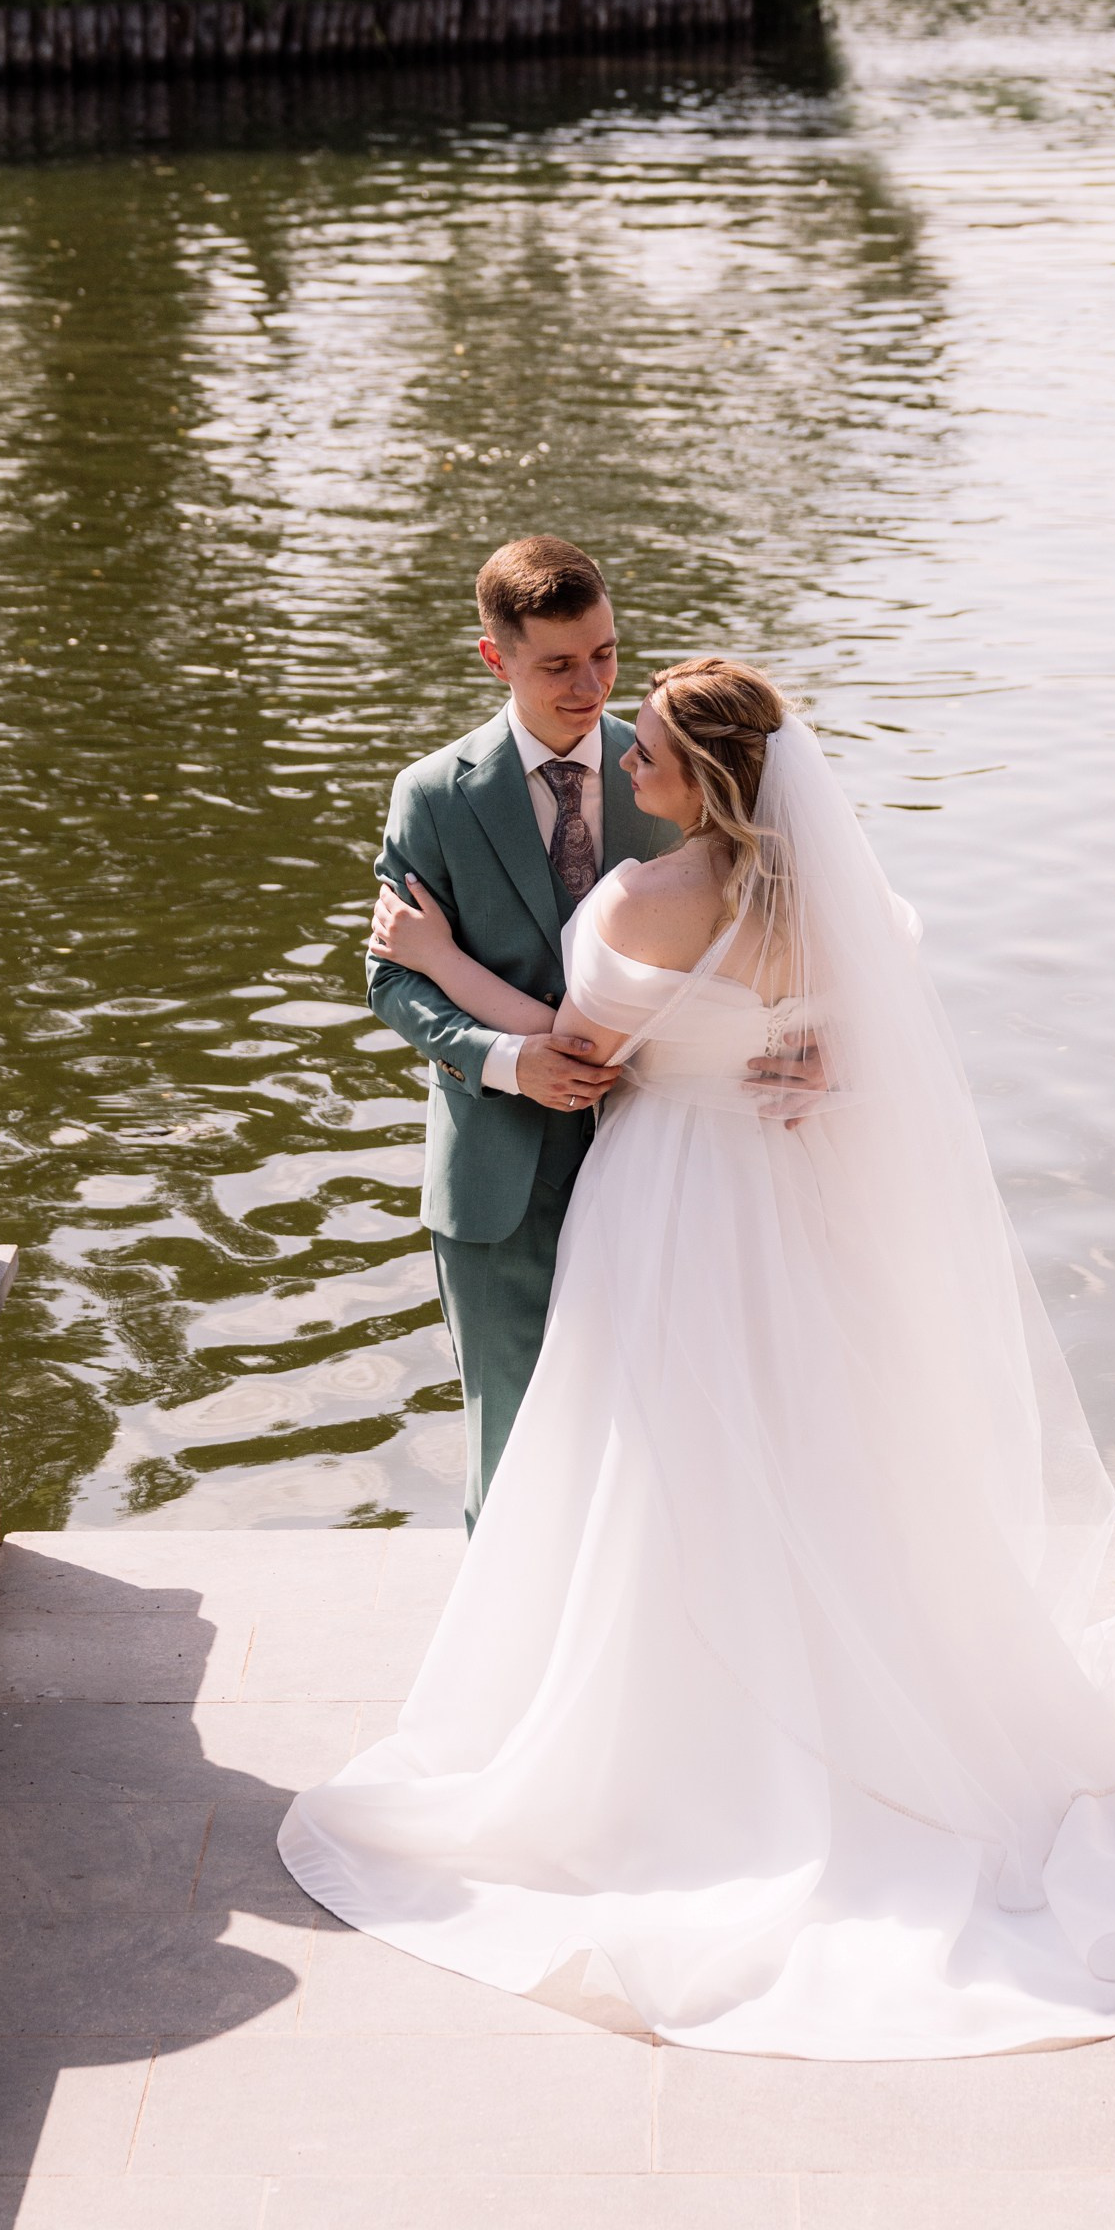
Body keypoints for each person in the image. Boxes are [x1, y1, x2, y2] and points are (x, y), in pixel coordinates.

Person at [285, 655, 1115, 2059]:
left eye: (651, 746)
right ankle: (839, 1689)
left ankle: (691, 1735)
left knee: (659, 1457)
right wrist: (823, 1046)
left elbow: (578, 1048)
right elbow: (882, 1002)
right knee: (815, 1448)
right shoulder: (830, 912)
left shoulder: (638, 902)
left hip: (666, 1197)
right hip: (786, 1203)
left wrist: (435, 964)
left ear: (702, 778)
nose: (630, 759)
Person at [366, 538, 679, 1524]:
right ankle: (502, 1666)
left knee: (657, 1436)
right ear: (494, 658)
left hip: (663, 1163)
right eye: (558, 664)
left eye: (606, 654)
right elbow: (391, 978)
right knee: (511, 1441)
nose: (591, 686)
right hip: (498, 1179)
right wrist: (508, 1063)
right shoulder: (434, 794)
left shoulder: (668, 777)